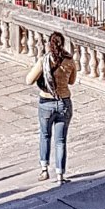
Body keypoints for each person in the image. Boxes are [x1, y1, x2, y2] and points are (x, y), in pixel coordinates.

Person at [26, 32, 78, 184]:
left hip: (46, 103)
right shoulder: (69, 61)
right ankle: (60, 175)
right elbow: (72, 81)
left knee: (45, 135)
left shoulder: (44, 61)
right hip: (64, 102)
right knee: (60, 140)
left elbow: (29, 80)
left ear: (49, 44)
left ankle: (44, 170)